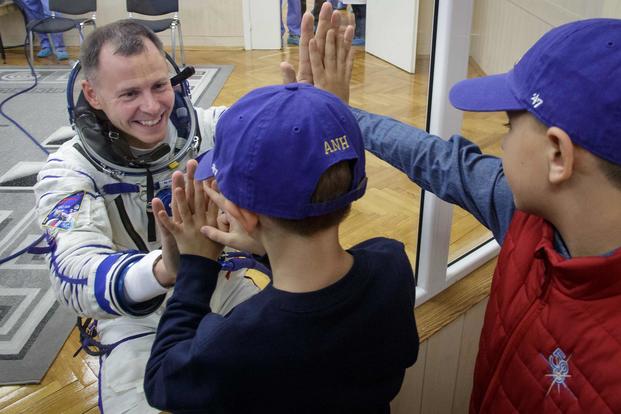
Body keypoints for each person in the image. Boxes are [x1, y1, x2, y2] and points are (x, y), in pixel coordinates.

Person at [310, 15, 621, 413]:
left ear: (557, 155)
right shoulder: (527, 214)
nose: (502, 144)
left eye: (509, 126)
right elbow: (438, 160)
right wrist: (345, 115)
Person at [144, 82, 420, 413]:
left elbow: (162, 378)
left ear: (244, 215)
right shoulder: (391, 264)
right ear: (355, 186)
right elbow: (326, 316)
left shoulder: (235, 343)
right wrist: (263, 248)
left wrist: (196, 266)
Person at [33, 20, 262, 413]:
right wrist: (165, 268)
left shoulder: (210, 130)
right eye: (129, 93)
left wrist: (313, 103)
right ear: (94, 94)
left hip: (227, 294)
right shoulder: (69, 170)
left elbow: (276, 129)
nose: (153, 106)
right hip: (138, 321)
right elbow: (72, 274)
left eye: (159, 85)